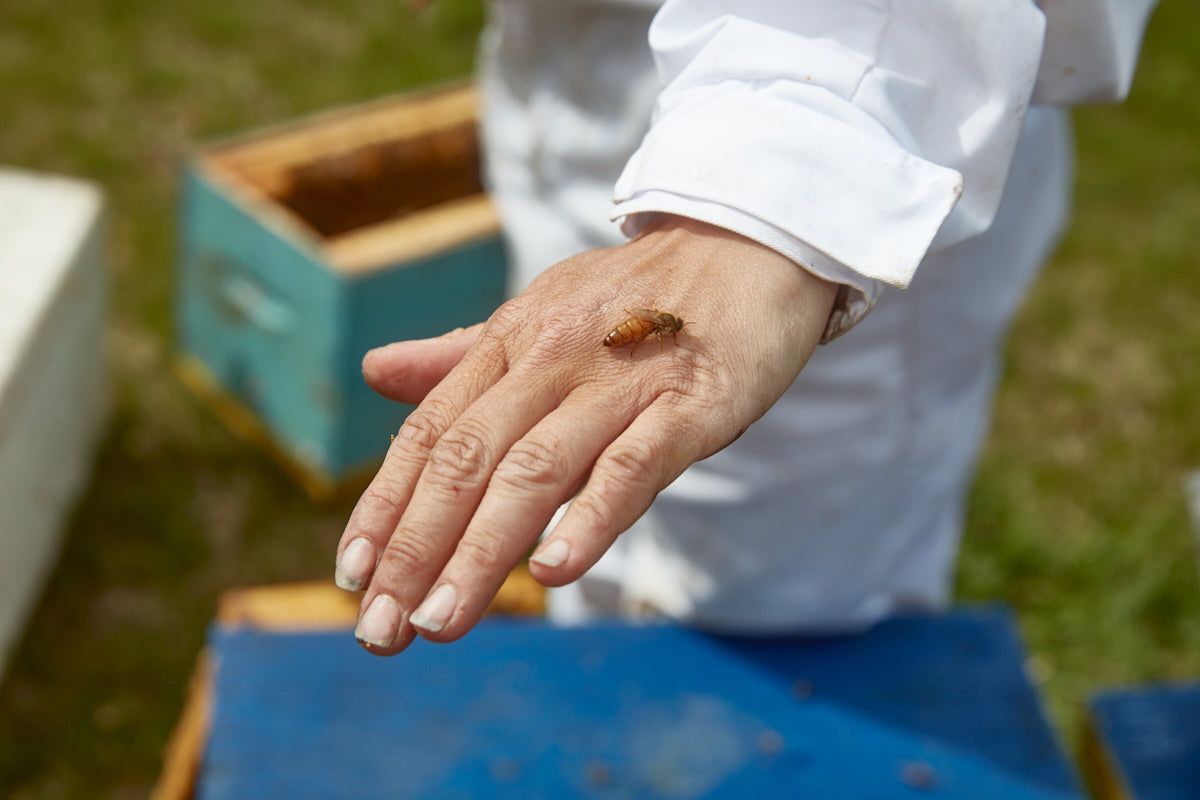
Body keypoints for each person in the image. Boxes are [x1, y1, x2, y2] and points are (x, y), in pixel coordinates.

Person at [335, 0, 1158, 655]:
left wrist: (770, 189)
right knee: (583, 504)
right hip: (579, 61)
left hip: (828, 144)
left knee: (753, 609)